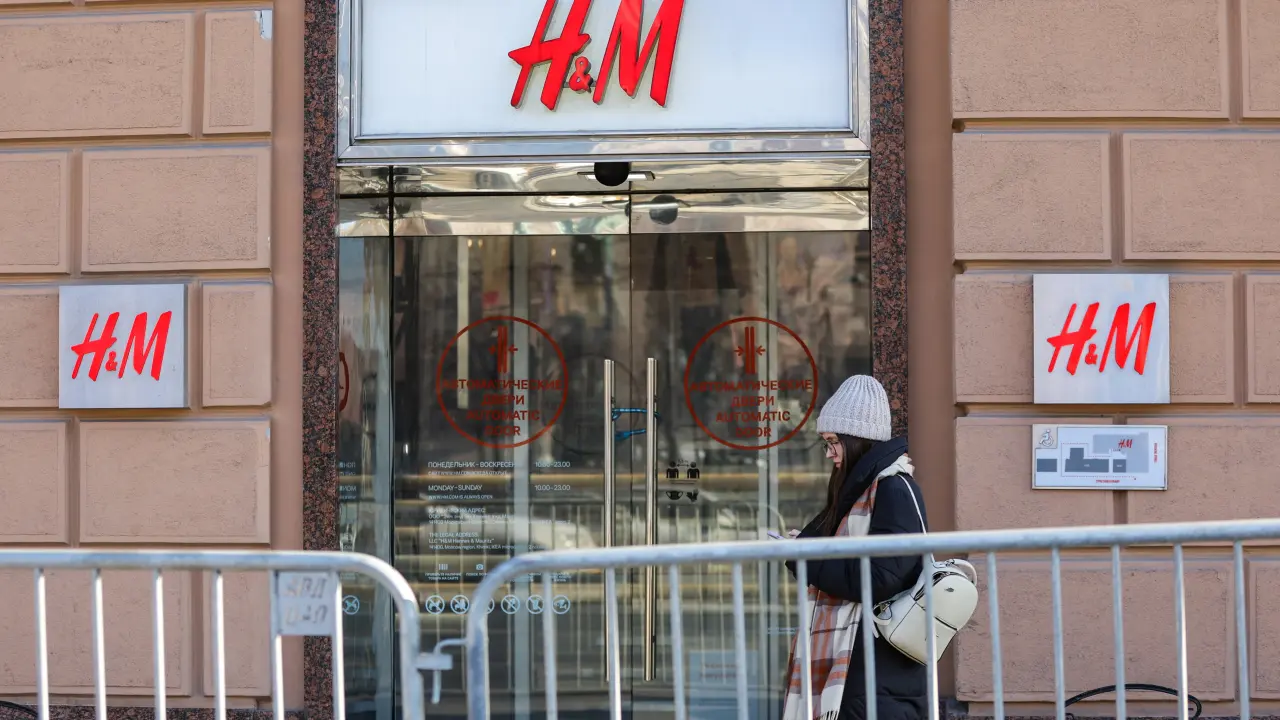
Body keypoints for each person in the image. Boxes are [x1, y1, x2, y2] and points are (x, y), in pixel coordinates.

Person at [782, 375, 928, 720]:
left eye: (834, 442)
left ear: (857, 440)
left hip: (876, 662)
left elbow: (881, 577)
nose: (829, 453)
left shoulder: (892, 487)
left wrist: (808, 558)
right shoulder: (863, 489)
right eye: (826, 443)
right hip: (869, 661)